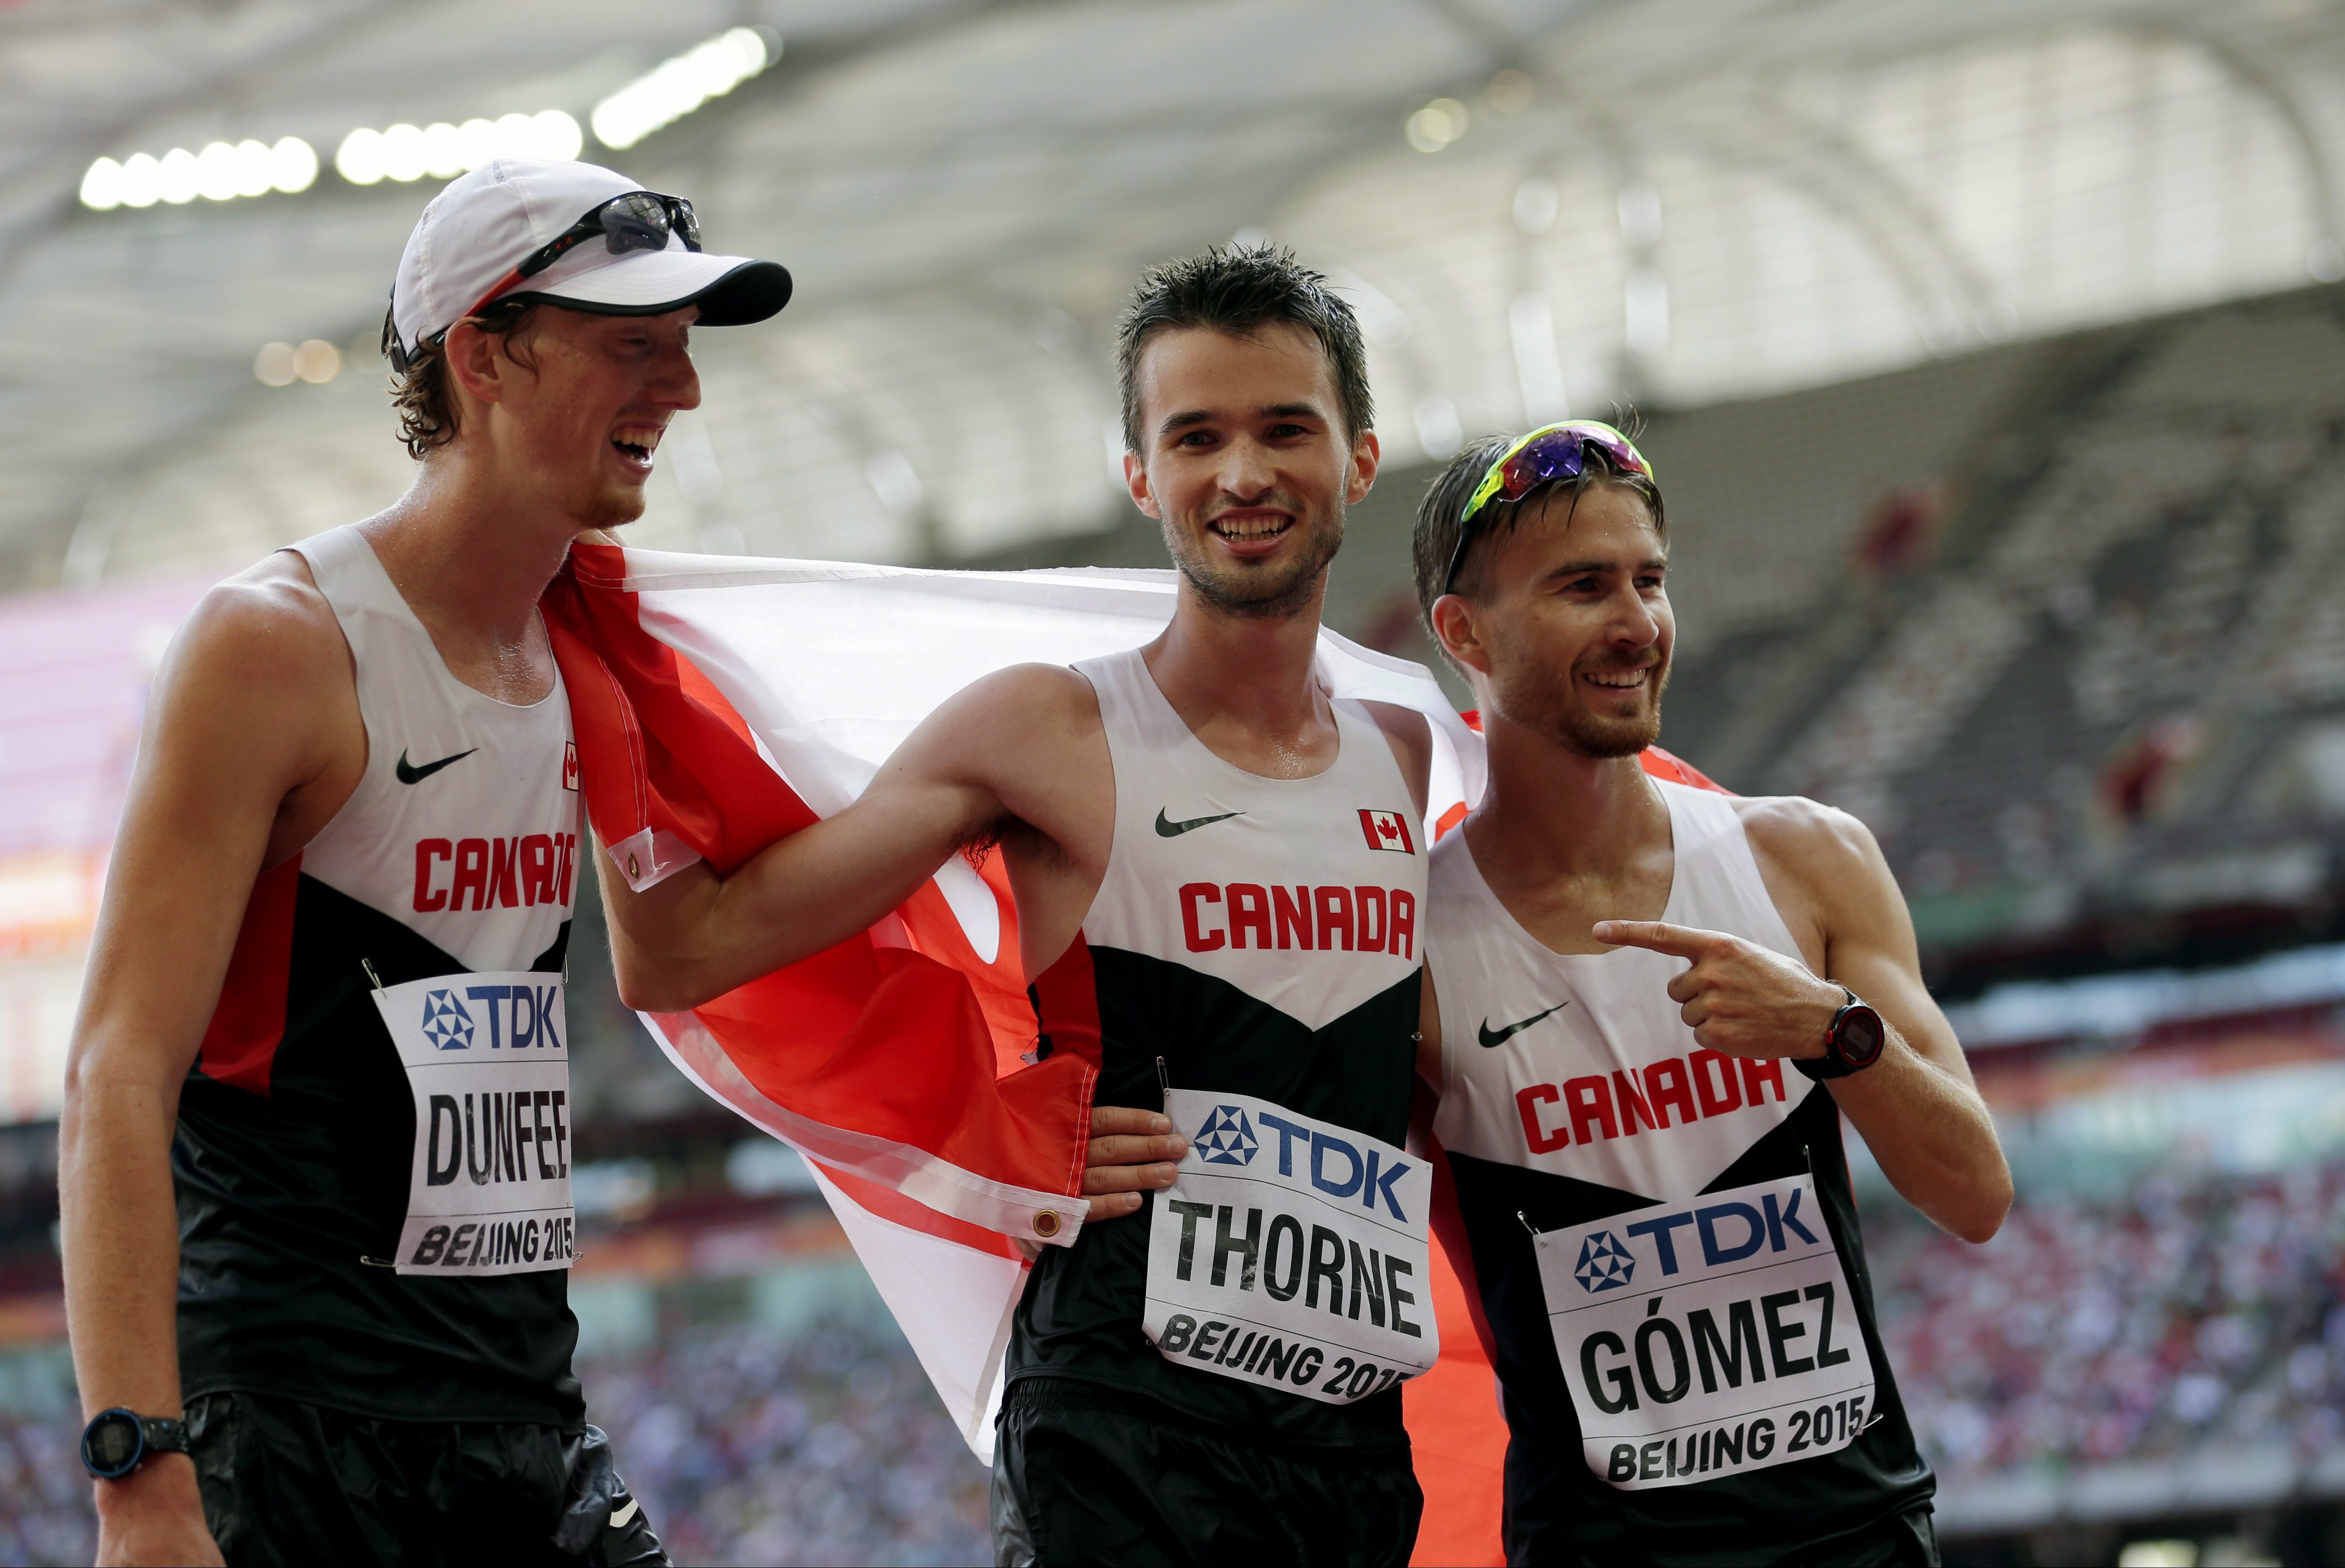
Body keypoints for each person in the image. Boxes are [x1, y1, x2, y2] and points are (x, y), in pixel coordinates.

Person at [598, 246, 1437, 1567]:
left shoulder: (1409, 751)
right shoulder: (1046, 729)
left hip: (1351, 1444)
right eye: (1195, 436)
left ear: (1362, 455)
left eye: (1287, 429)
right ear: (1137, 476)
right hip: (1124, 1427)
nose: (1244, 475)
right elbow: (688, 951)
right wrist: (614, 713)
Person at [57, 158, 793, 1567]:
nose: (682, 391)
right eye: (632, 345)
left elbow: (685, 946)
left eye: (684, 351)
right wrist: (138, 1477)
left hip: (519, 1409)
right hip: (292, 1429)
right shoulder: (277, 645)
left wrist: (970, 802)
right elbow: (116, 1071)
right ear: (483, 355)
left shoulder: (581, 635)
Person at [1406, 421, 2013, 1566]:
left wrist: (1834, 1036)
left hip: (1855, 1532)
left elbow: (1975, 1193)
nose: (1637, 624)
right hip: (1599, 1546)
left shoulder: (1802, 861)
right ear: (1462, 630)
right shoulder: (1411, 944)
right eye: (1584, 587)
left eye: (1649, 581)